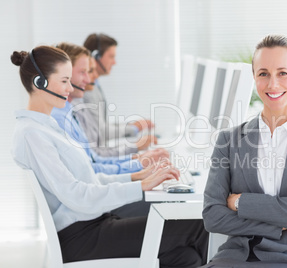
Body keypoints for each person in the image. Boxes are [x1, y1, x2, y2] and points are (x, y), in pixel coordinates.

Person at [11, 45, 208, 267]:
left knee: (187, 257)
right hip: (82, 237)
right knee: (199, 226)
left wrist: (139, 178)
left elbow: (91, 179)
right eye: (64, 80)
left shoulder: (47, 128)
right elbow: (76, 194)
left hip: (94, 222)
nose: (70, 88)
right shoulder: (33, 134)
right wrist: (140, 186)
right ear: (40, 83)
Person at [202, 35, 287, 268]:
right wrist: (280, 221)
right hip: (235, 258)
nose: (273, 84)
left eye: (283, 73)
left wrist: (240, 203)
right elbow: (212, 217)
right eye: (263, 73)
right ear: (254, 77)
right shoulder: (229, 140)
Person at [51, 42, 168, 176]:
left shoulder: (68, 111)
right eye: (84, 72)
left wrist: (137, 162)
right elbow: (89, 171)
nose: (90, 79)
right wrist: (136, 168)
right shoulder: (61, 117)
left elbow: (93, 160)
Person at [73, 33, 156, 157]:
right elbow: (101, 131)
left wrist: (133, 126)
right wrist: (133, 130)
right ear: (96, 56)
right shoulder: (86, 90)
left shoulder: (94, 86)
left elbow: (100, 126)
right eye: (111, 56)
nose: (114, 62)